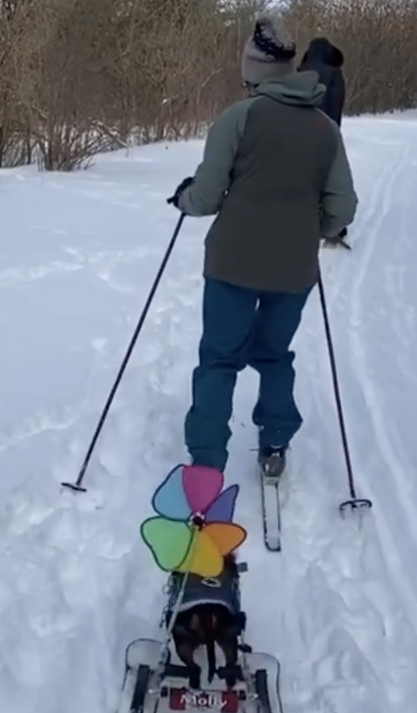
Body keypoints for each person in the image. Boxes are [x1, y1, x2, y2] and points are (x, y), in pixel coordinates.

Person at [167, 15, 358, 480]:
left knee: (219, 357)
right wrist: (312, 228)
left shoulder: (238, 118)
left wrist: (183, 198)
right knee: (273, 355)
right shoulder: (323, 128)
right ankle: (274, 443)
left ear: (253, 70)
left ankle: (207, 458)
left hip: (232, 262)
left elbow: (207, 195)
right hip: (293, 268)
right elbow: (343, 207)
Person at [298, 37, 346, 127]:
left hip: (301, 126)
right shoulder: (334, 73)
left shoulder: (299, 71)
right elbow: (335, 103)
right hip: (323, 125)